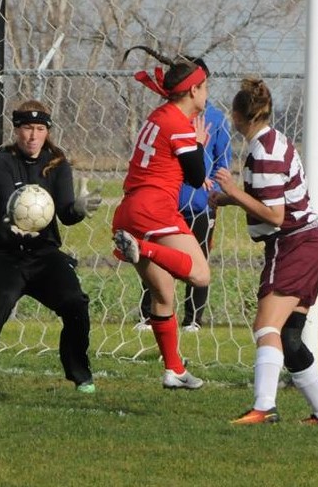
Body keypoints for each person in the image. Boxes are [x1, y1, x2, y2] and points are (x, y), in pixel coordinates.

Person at [0, 99, 103, 393]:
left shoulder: (58, 165)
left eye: (40, 129)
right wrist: (14, 224)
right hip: (7, 255)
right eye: (27, 128)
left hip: (44, 256)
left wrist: (78, 209)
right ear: (17, 130)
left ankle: (81, 375)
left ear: (47, 132)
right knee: (1, 299)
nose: (33, 135)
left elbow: (65, 215)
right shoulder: (3, 162)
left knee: (76, 303)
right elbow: (7, 204)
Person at [209, 77, 318, 425]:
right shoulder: (270, 141)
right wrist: (226, 198)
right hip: (310, 244)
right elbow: (271, 201)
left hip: (293, 245)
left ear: (238, 116)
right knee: (290, 336)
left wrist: (232, 191)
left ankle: (264, 406)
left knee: (265, 326)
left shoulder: (262, 152)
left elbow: (276, 215)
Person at [110, 54, 211, 390]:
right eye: (205, 87)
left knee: (164, 293)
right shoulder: (179, 123)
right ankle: (141, 248)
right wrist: (198, 144)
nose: (207, 94)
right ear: (193, 90)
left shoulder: (159, 115)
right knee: (199, 274)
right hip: (153, 208)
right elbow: (196, 177)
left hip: (129, 209)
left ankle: (174, 370)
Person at [137, 56, 232, 332]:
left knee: (197, 259)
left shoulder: (214, 119)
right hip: (166, 202)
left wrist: (212, 190)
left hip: (200, 205)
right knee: (157, 258)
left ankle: (193, 319)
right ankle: (147, 314)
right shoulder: (170, 117)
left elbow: (222, 162)